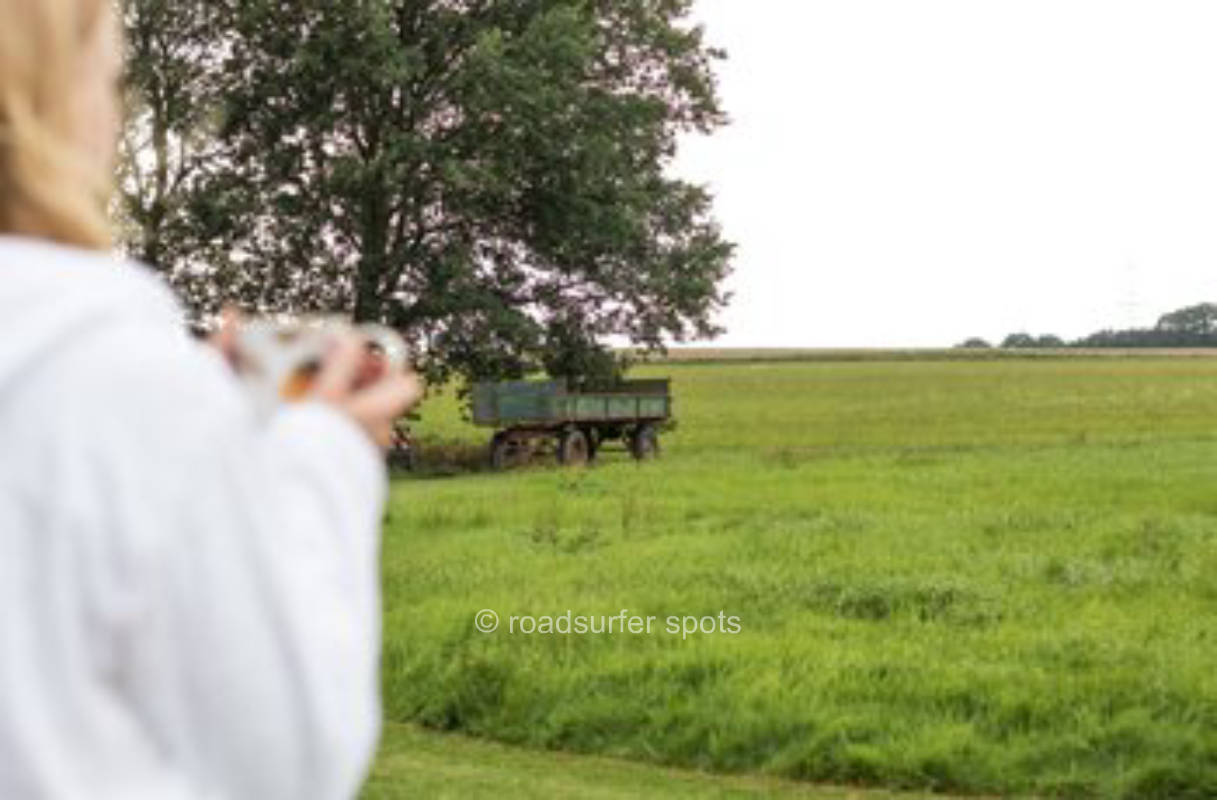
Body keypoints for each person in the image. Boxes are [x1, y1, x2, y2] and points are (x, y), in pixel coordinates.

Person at [0, 1, 422, 797]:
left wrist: (186, 390)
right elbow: (285, 763)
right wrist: (321, 455)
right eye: (111, 78)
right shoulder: (103, 370)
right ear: (43, 96)